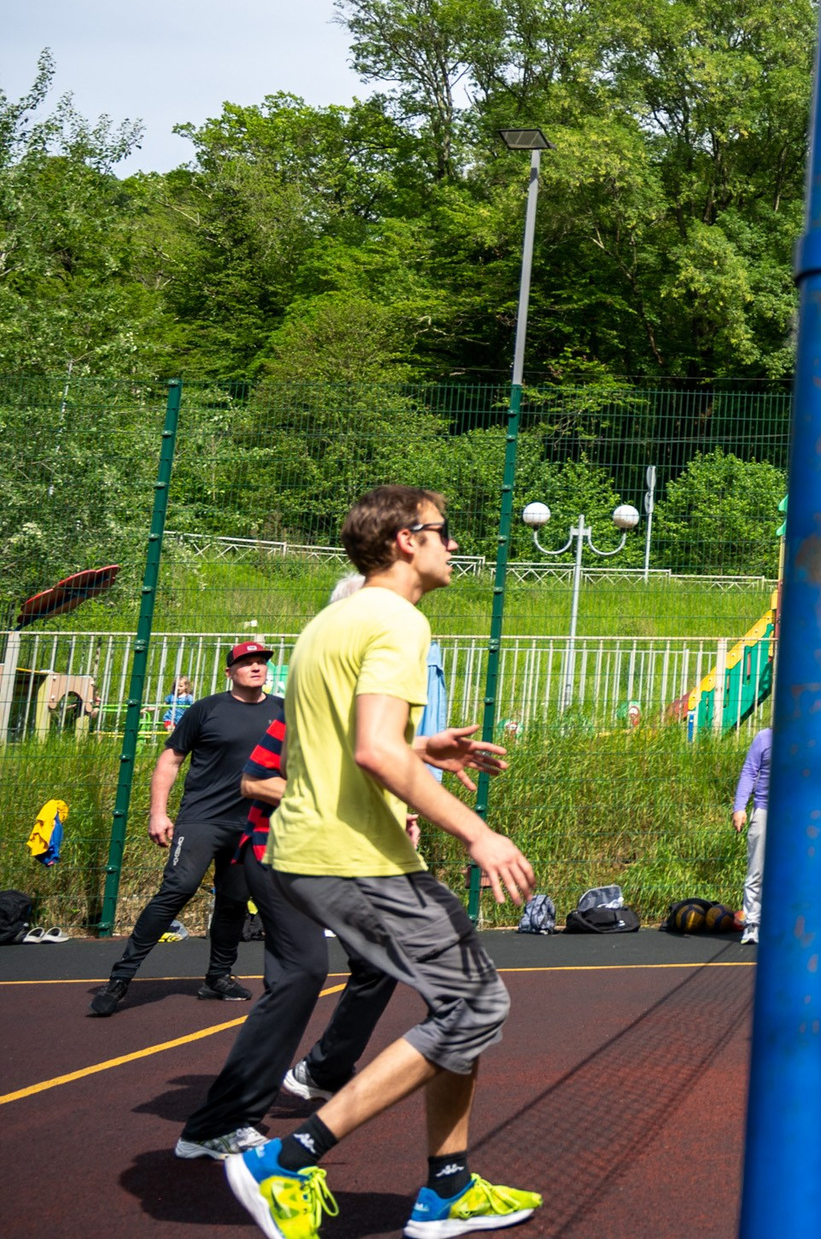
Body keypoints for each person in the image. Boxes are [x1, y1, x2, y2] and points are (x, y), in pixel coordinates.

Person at [225, 485, 543, 1238]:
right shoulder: (401, 619)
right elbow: (370, 751)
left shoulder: (330, 621)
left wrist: (425, 749)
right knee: (477, 1005)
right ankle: (286, 1160)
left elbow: (342, 742)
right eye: (442, 532)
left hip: (319, 848)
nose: (453, 545)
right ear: (407, 539)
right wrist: (477, 832)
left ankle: (448, 1186)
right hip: (351, 853)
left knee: (460, 999)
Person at [177, 654, 500, 1162]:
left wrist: (404, 804)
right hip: (280, 853)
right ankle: (216, 1124)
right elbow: (255, 781)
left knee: (377, 962)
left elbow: (365, 756)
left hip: (337, 860)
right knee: (302, 972)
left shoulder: (372, 713)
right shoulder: (314, 706)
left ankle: (322, 1071)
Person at [90, 641, 277, 1018]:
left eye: (260, 662)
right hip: (202, 820)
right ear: (229, 673)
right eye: (246, 663)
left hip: (252, 826)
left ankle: (217, 978)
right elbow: (170, 760)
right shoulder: (206, 710)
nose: (255, 668)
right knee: (177, 890)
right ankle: (121, 979)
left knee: (234, 903)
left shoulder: (283, 712)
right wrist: (157, 812)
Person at [732, 725, 771, 945]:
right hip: (764, 809)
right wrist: (739, 807)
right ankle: (752, 924)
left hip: (794, 814)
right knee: (756, 870)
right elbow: (749, 771)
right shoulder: (764, 737)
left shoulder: (805, 737)